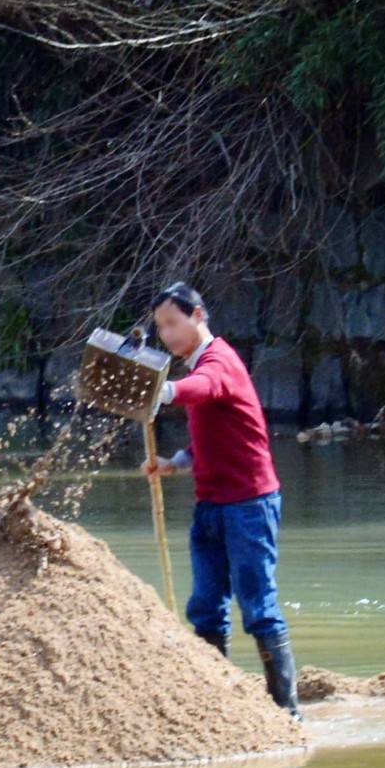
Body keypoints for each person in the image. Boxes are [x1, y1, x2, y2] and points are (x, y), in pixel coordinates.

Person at [140, 281, 300, 720]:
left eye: (173, 323)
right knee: (206, 607)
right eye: (161, 327)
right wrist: (174, 462)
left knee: (258, 607)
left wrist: (161, 391)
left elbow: (203, 388)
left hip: (249, 502)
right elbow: (207, 440)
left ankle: (287, 711)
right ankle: (218, 709)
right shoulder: (195, 365)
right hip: (212, 501)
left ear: (198, 316)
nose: (167, 334)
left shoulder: (218, 361)